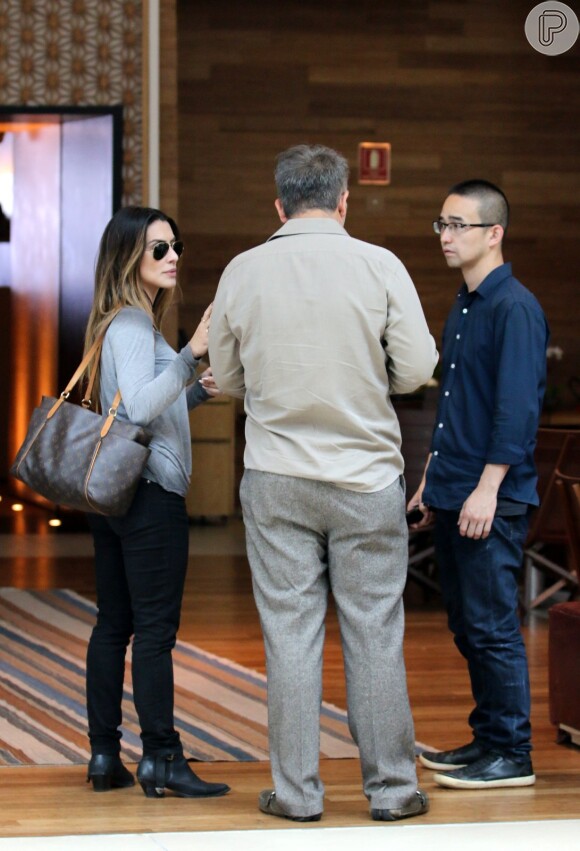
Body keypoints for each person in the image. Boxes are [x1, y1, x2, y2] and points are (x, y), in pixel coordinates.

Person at [208, 144, 438, 822]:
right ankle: (393, 789)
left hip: (277, 476)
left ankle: (298, 793)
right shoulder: (380, 265)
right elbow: (417, 368)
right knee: (374, 631)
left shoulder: (242, 270)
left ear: (278, 206)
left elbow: (229, 376)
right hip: (366, 476)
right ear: (344, 201)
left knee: (289, 632)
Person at [83, 205, 230, 799]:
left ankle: (103, 753)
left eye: (175, 246)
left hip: (116, 495)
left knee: (114, 624)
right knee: (153, 631)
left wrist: (191, 392)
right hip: (149, 497)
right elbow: (140, 409)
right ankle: (162, 758)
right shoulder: (133, 327)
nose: (172, 258)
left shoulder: (116, 324)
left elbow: (141, 409)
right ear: (129, 259)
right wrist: (192, 352)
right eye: (158, 249)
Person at [409, 180, 549, 790]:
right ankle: (488, 739)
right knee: (467, 625)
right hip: (455, 487)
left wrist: (488, 488)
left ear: (494, 233)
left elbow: (516, 412)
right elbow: (454, 409)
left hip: (490, 495)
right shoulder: (464, 304)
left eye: (458, 225)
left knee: (492, 626)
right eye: (441, 224)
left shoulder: (514, 307)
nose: (446, 236)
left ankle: (512, 754)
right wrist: (427, 482)